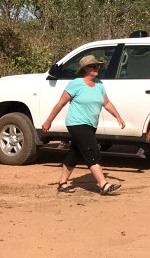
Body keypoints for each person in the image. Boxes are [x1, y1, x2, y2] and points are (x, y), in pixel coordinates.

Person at [42, 54, 125, 195]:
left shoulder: (99, 84)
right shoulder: (75, 84)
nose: (97, 68)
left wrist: (118, 117)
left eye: (98, 66)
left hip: (91, 125)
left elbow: (106, 103)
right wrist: (48, 121)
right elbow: (60, 104)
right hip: (76, 123)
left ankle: (62, 183)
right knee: (92, 151)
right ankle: (103, 184)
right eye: (93, 66)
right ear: (85, 69)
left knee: (75, 153)